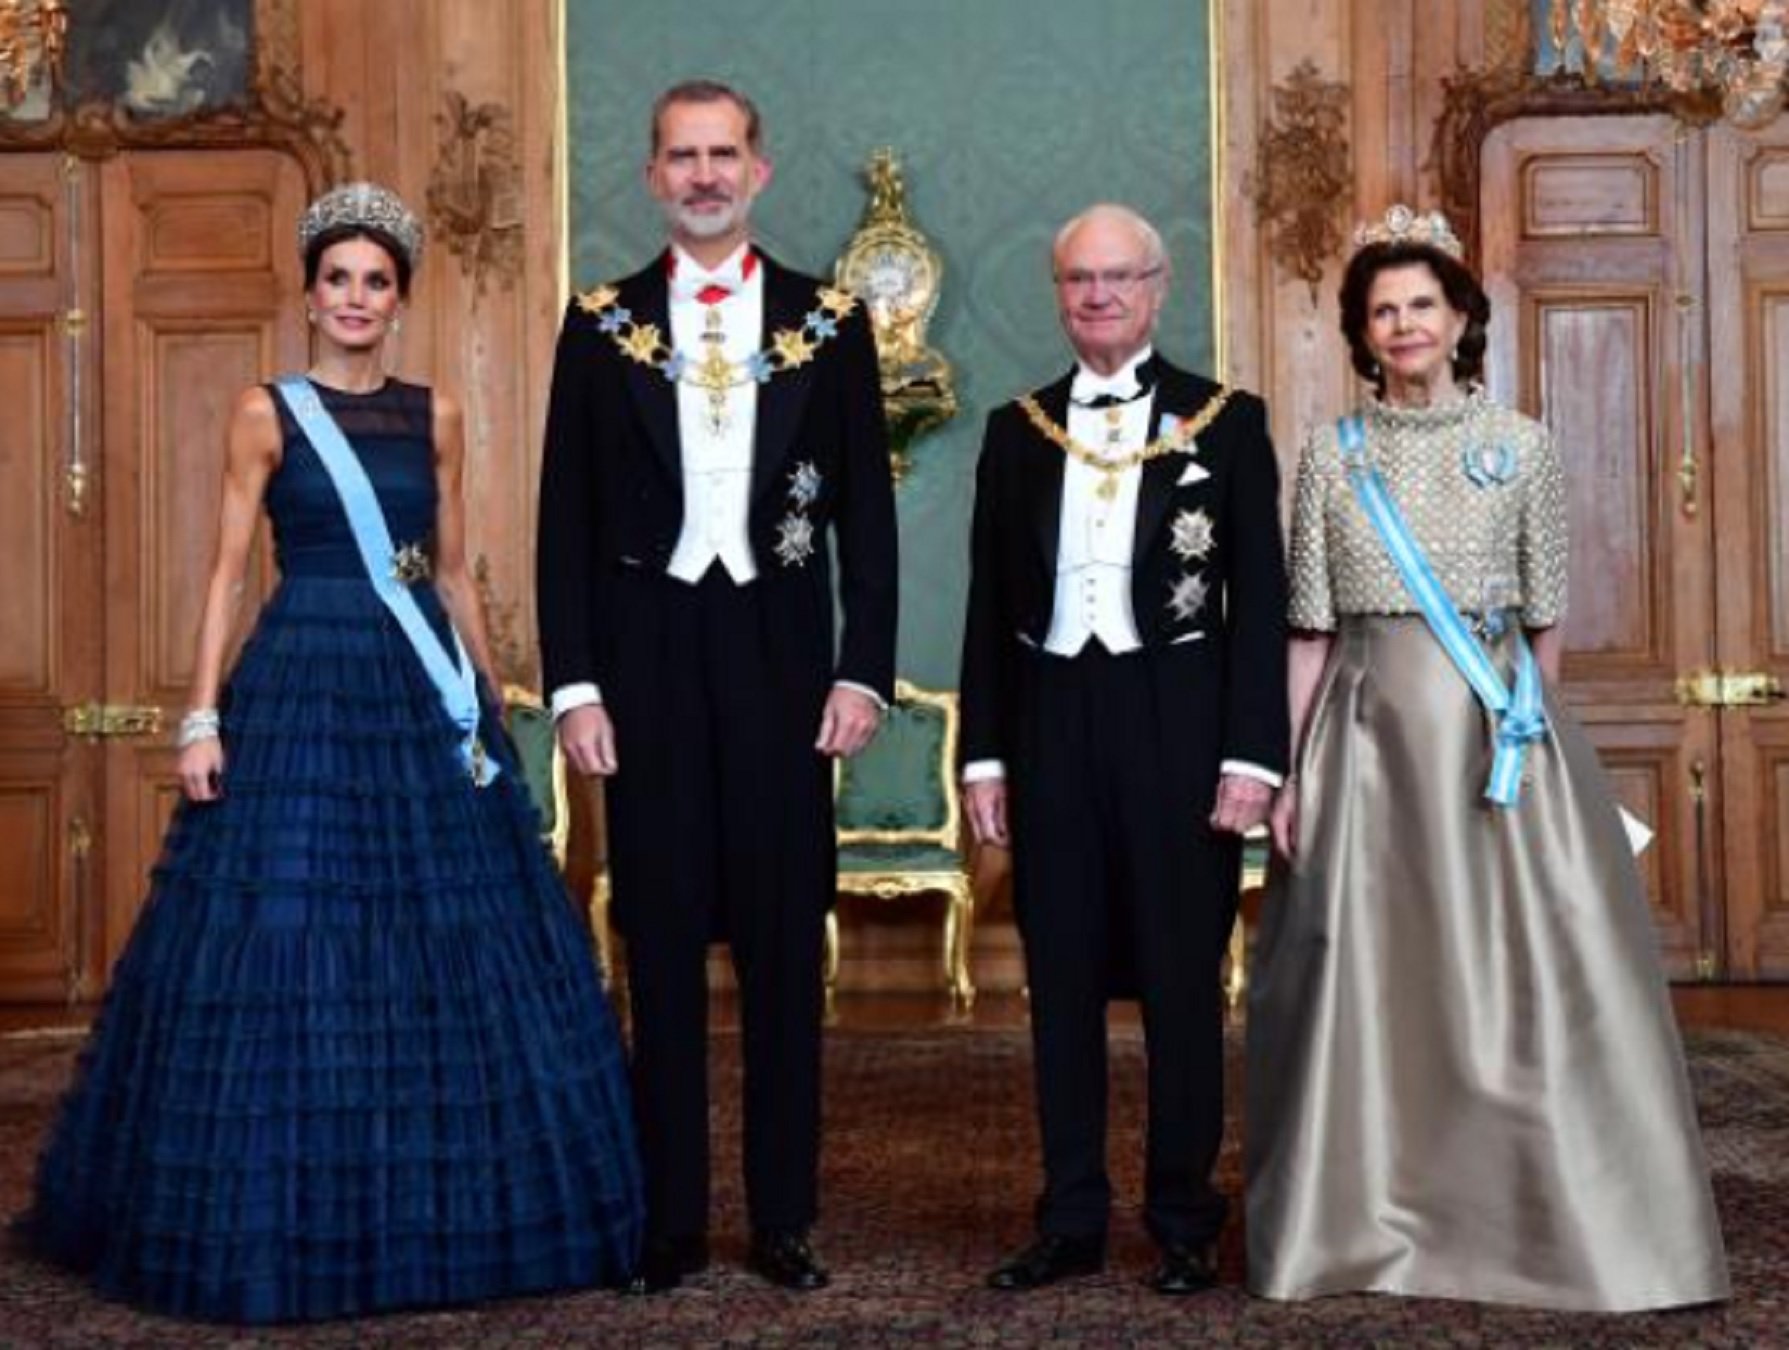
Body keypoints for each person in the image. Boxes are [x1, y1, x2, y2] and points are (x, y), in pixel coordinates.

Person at [18, 183, 645, 1323]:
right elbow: (221, 573)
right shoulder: (266, 411)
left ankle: (448, 1205)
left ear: (398, 300)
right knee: (293, 926)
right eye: (338, 279)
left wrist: (492, 698)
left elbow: (453, 572)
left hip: (419, 691)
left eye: (377, 282)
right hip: (302, 677)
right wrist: (200, 715)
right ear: (310, 294)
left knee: (444, 936)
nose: (356, 298)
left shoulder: (435, 413)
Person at [1245, 205, 1729, 1311]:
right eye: (1383, 310)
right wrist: (1288, 772)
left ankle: (1541, 1217)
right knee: (1363, 979)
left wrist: (1528, 751)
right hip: (1364, 740)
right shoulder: (1331, 454)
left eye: (1422, 304)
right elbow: (1309, 632)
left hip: (1493, 733)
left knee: (1524, 976)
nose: (1404, 324)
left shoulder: (1525, 447)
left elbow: (1544, 624)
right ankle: (1355, 1221)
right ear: (1360, 334)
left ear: (1463, 317)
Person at [536, 80, 898, 1294]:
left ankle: (782, 1216)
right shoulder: (596, 325)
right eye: (681, 156)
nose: (702, 174)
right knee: (661, 939)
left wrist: (862, 670)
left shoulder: (831, 321)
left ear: (761, 168)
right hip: (642, 663)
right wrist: (577, 686)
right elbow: (562, 523)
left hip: (784, 657)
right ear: (651, 177)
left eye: (722, 153)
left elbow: (873, 523)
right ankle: (672, 1221)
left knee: (788, 950)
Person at [959, 204, 1288, 1295]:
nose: (1096, 296)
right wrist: (984, 757)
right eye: (1076, 280)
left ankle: (1186, 1219)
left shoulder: (1227, 422)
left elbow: (1263, 606)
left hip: (1178, 725)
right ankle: (1069, 1219)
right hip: (1051, 718)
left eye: (1117, 277)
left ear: (1158, 286)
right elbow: (984, 610)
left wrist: (1254, 757)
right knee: (1056, 985)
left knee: (1182, 986)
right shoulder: (1016, 431)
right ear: (1057, 294)